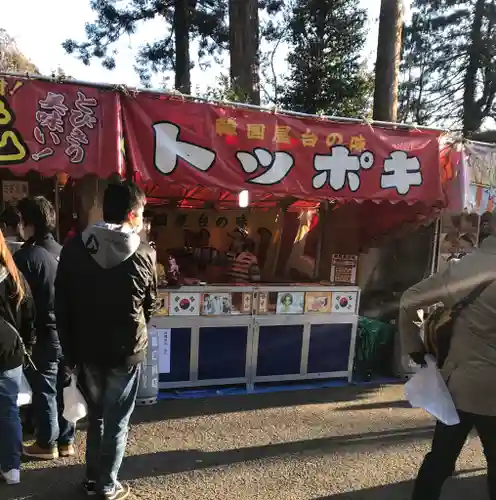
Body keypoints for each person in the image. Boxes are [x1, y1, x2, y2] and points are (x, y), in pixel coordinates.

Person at [55, 180, 159, 500]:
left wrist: (70, 353)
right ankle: (107, 484)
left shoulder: (75, 248)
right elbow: (151, 305)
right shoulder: (144, 254)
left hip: (86, 351)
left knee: (97, 417)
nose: (142, 218)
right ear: (131, 214)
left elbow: (62, 305)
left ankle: (91, 479)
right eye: (141, 212)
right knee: (117, 420)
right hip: (126, 352)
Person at [400, 221, 496, 500]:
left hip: (460, 384)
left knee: (441, 457)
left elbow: (409, 300)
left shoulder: (463, 268)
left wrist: (414, 347)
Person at [14, 197, 75, 460]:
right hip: (68, 333)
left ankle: (45, 442)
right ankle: (66, 441)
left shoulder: (27, 256)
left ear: (28, 224)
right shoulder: (65, 252)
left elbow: (17, 300)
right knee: (64, 387)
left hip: (41, 333)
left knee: (45, 389)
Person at [0, 230, 36, 485]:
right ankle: (11, 468)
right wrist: (28, 346)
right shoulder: (14, 276)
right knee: (8, 411)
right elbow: (29, 315)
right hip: (9, 352)